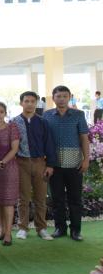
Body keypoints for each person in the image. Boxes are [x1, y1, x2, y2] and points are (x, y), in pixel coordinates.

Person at [43, 85, 90, 241]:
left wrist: (86, 159)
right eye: (58, 96)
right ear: (53, 98)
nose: (62, 99)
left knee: (75, 199)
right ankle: (60, 228)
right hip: (54, 164)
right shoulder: (47, 115)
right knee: (57, 199)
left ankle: (76, 230)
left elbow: (84, 138)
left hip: (75, 164)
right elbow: (44, 139)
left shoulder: (78, 115)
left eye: (64, 96)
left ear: (69, 97)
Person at [11, 91, 57, 241]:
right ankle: (22, 228)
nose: (30, 104)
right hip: (21, 163)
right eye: (26, 101)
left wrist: (50, 165)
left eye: (32, 101)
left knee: (40, 198)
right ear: (21, 103)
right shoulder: (14, 122)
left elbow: (49, 144)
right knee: (23, 198)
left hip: (40, 163)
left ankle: (41, 228)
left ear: (36, 103)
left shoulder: (43, 122)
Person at [0, 102, 20, 246]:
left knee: (7, 201)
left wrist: (1, 163)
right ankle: (2, 230)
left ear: (5, 113)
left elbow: (14, 149)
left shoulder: (12, 127)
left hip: (8, 168)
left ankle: (8, 233)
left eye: (1, 112)